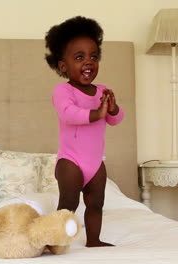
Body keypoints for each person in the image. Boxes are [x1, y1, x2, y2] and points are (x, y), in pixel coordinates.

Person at [44, 16, 124, 247]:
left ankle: (94, 240)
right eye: (79, 57)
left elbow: (116, 120)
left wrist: (113, 107)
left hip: (95, 162)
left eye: (93, 56)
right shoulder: (62, 90)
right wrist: (97, 114)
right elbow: (68, 114)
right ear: (63, 66)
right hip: (71, 162)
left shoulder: (101, 90)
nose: (88, 62)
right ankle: (53, 241)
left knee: (96, 203)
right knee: (69, 203)